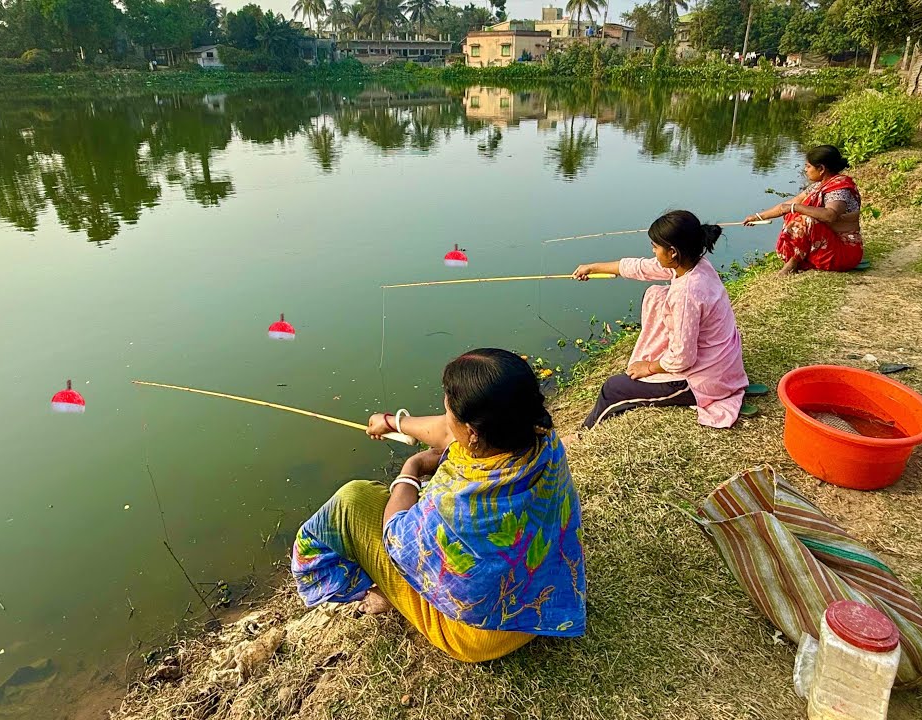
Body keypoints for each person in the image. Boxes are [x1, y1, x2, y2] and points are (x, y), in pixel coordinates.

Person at [290, 348, 586, 662]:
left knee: (353, 501)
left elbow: (395, 537)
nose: (445, 417)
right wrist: (392, 422)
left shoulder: (456, 502)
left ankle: (381, 593)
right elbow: (447, 433)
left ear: (471, 432)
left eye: (449, 411)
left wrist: (412, 469)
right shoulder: (540, 438)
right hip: (544, 603)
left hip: (475, 635)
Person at [571, 210, 748, 429]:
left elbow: (683, 359)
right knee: (656, 294)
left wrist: (650, 367)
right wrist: (593, 267)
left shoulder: (686, 294)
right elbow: (641, 267)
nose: (653, 251)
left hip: (701, 380)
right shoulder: (695, 264)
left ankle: (585, 431)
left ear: (672, 252)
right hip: (722, 362)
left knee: (613, 388)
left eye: (655, 247)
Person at [745, 145, 863, 274]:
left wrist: (796, 208)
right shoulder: (818, 186)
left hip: (843, 252)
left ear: (821, 169)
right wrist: (757, 217)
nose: (805, 170)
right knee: (795, 214)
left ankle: (792, 264)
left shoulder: (839, 190)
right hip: (827, 245)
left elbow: (830, 215)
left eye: (808, 166)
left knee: (806, 219)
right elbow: (785, 206)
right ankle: (797, 259)